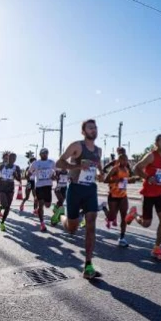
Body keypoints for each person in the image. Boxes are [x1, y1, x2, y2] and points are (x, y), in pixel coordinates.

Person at [56, 119, 104, 279]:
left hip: (90, 189)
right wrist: (77, 167)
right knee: (72, 229)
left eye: (95, 128)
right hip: (75, 189)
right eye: (90, 128)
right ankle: (62, 215)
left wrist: (101, 174)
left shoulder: (98, 150)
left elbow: (97, 167)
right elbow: (59, 162)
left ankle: (88, 265)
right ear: (83, 131)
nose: (94, 130)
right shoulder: (77, 146)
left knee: (91, 224)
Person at [129, 134, 161, 261]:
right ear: (156, 143)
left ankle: (157, 248)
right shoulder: (151, 155)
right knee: (146, 223)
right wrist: (147, 177)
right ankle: (134, 214)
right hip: (148, 193)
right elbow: (136, 168)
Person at [103, 154, 138, 247]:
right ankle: (103, 208)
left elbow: (125, 181)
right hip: (113, 196)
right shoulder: (115, 169)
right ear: (119, 160)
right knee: (111, 217)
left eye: (126, 160)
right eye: (123, 159)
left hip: (123, 196)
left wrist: (130, 180)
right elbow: (105, 180)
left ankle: (122, 238)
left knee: (124, 217)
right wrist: (116, 180)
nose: (125, 161)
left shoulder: (126, 170)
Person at [0, 153, 23, 232]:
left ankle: (2, 223)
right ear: (8, 158)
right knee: (4, 205)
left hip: (10, 187)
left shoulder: (17, 168)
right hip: (2, 187)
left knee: (8, 207)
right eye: (11, 158)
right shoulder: (2, 166)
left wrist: (15, 175)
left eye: (14, 158)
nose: (13, 159)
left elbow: (19, 179)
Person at [29, 149, 56, 232]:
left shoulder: (51, 162)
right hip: (39, 186)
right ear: (40, 154)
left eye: (46, 153)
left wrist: (54, 176)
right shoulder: (35, 163)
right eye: (43, 153)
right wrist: (28, 176)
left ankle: (39, 210)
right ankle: (42, 224)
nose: (45, 155)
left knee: (47, 205)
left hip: (48, 186)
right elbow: (29, 172)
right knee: (41, 205)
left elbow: (56, 172)